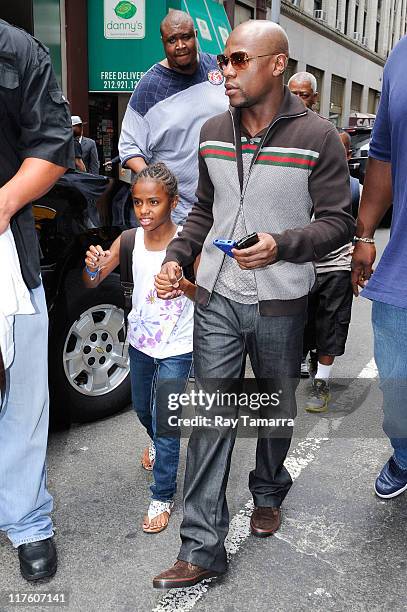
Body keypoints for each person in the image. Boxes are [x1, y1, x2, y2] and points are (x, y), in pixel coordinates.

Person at [152, 20, 354, 589]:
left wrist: (282, 245)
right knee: (210, 418)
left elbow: (338, 221)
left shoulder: (318, 136)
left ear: (277, 65)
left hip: (282, 301)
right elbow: (203, 209)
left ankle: (268, 487)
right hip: (217, 295)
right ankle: (200, 548)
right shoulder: (213, 130)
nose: (226, 70)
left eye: (240, 59)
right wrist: (180, 255)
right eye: (225, 60)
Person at [83, 163, 196, 532]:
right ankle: (158, 444)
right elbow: (93, 280)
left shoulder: (188, 243)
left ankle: (161, 495)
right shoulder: (129, 240)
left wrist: (184, 286)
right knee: (143, 411)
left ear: (173, 202)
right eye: (137, 202)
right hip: (141, 344)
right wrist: (91, 266)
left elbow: (208, 297)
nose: (144, 210)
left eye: (154, 202)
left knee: (166, 423)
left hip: (179, 346)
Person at [0, 19, 74, 580]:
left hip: (8, 253)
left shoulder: (16, 49)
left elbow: (52, 147)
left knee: (25, 399)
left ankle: (27, 519)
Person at [351, 36, 407, 499]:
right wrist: (365, 233)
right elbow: (383, 155)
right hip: (401, 270)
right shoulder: (400, 56)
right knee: (397, 396)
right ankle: (405, 456)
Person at [289, 72, 359, 412]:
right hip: (296, 263)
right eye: (294, 93)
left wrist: (360, 253)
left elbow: (358, 225)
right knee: (297, 324)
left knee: (331, 325)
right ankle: (299, 365)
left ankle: (322, 382)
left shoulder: (326, 136)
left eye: (305, 94)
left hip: (335, 264)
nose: (299, 98)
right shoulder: (284, 137)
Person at [119, 9, 228, 225]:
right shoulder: (149, 88)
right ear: (162, 42)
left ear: (196, 34)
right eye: (172, 40)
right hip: (178, 213)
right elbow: (129, 148)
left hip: (225, 205)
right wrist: (157, 184)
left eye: (185, 37)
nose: (180, 46)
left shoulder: (219, 68)